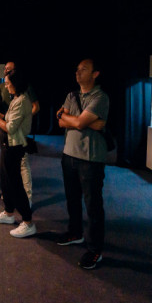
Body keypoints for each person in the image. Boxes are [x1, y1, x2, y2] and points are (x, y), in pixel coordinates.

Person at [56, 59, 109, 270]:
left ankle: (95, 249)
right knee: (72, 199)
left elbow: (74, 122)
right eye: (77, 69)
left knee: (93, 205)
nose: (78, 72)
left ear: (95, 74)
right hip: (68, 155)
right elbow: (60, 119)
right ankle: (75, 233)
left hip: (90, 159)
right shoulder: (72, 95)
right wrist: (90, 123)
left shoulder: (100, 97)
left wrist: (72, 118)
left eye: (83, 69)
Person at [0, 70, 36, 238]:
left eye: (8, 83)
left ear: (16, 83)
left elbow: (10, 127)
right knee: (6, 182)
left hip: (15, 146)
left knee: (15, 185)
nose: (6, 86)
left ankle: (28, 222)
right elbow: (7, 118)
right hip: (8, 145)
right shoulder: (16, 99)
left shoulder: (22, 101)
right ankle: (8, 212)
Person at [0, 61, 40, 206]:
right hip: (6, 129)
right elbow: (1, 109)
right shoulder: (2, 87)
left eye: (9, 70)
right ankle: (9, 196)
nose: (6, 71)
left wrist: (23, 120)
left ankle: (27, 199)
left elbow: (35, 107)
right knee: (8, 166)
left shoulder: (23, 94)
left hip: (17, 131)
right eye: (5, 69)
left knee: (22, 165)